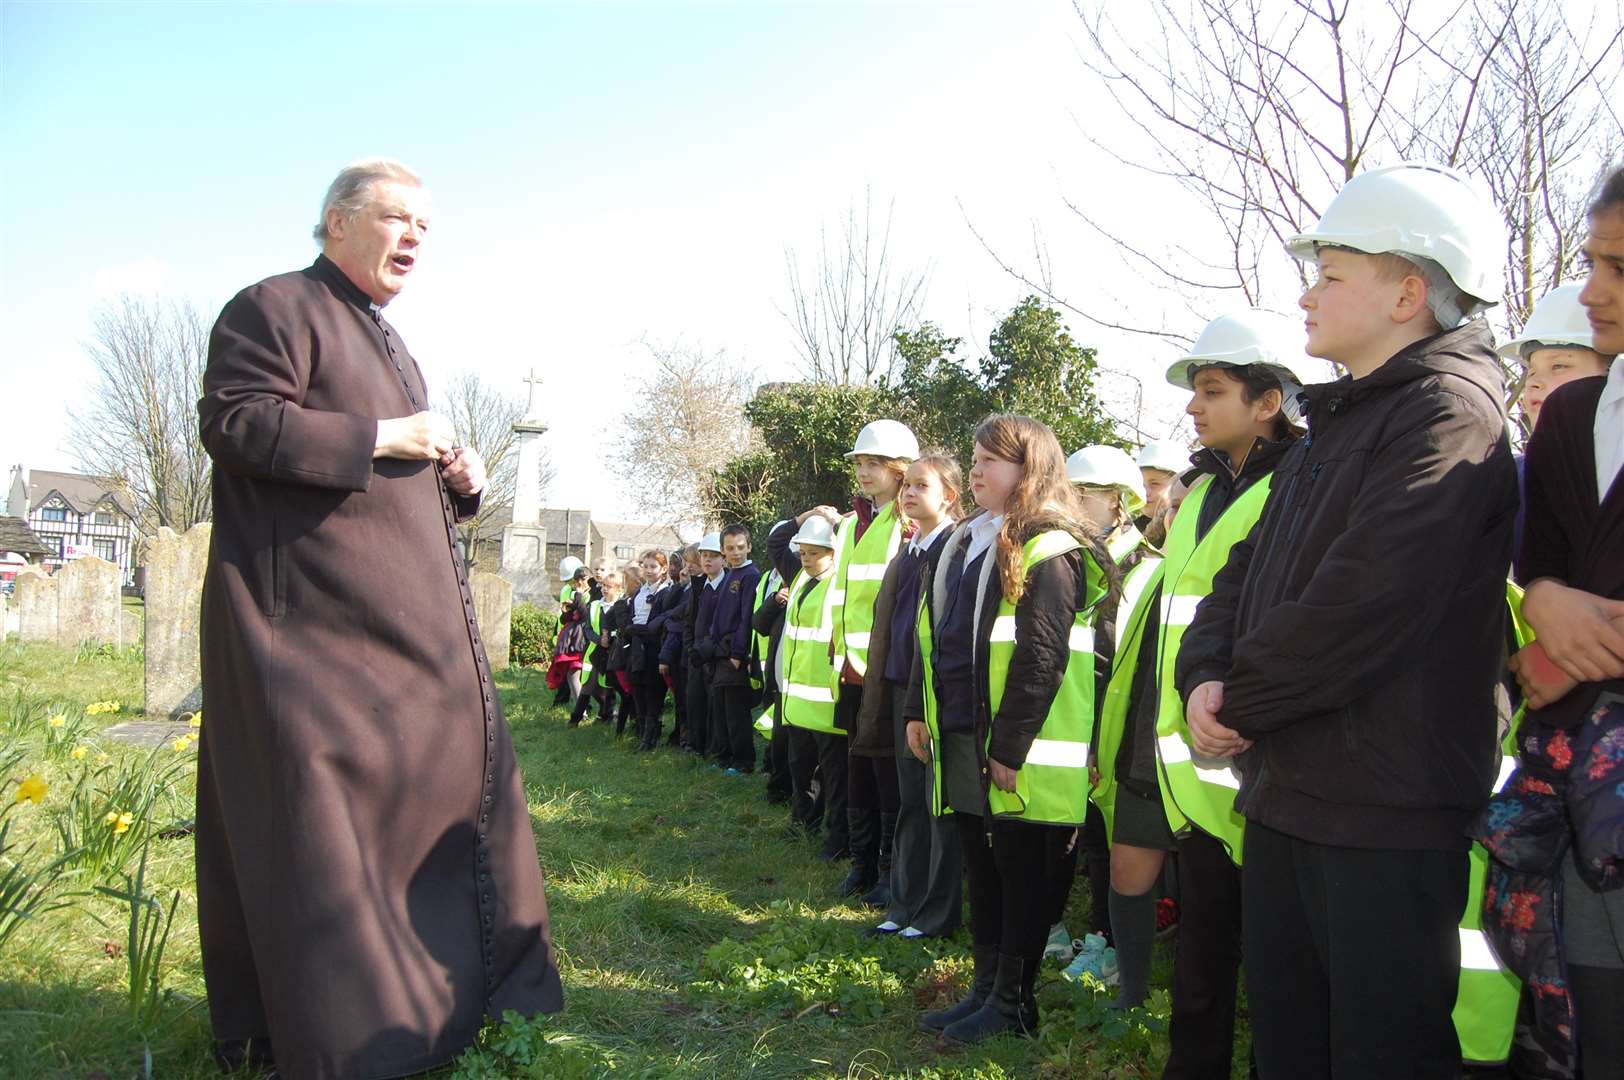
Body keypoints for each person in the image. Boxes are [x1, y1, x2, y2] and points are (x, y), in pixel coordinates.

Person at [195, 159, 561, 1077]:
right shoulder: (272, 307)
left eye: (425, 228)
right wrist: (379, 436)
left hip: (409, 644)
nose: (413, 239)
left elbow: (396, 482)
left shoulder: (390, 340)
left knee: (442, 804)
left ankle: (453, 1007)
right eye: (395, 218)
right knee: (327, 836)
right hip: (313, 641)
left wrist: (458, 481)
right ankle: (342, 1034)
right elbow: (235, 423)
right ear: (334, 223)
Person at [1176, 162, 1517, 1079]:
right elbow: (1241, 574)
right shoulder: (1341, 423)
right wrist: (1200, 676)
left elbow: (1361, 605)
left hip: (1384, 811)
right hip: (1294, 793)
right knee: (1291, 1045)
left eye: (1330, 273)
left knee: (1378, 1052)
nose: (1305, 292)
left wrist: (1234, 698)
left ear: (1409, 291)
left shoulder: (1449, 416)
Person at [1100, 312, 1309, 1080]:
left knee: (1282, 974)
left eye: (1212, 390)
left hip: (1263, 765)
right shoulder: (1200, 494)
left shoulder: (1303, 480)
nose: (1193, 406)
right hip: (1194, 770)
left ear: (1268, 401)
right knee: (1201, 957)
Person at [1474, 164, 1624, 1080]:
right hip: (1580, 805)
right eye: (1593, 260)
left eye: (1620, 267)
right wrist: (1546, 603)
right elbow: (1545, 566)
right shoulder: (1575, 415)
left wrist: (1576, 648)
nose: (1592, 291)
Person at [910, 414, 1115, 1046]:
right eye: (971, 459)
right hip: (968, 734)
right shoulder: (970, 539)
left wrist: (1009, 746)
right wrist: (926, 712)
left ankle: (1014, 1004)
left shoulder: (1052, 547)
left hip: (1022, 751)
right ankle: (985, 991)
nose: (974, 471)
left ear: (1032, 469)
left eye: (989, 461)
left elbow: (1042, 656)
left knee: (1024, 877)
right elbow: (946, 638)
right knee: (984, 869)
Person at [1054, 444, 1157, 984]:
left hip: (1119, 742)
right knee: (1092, 842)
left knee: (1118, 848)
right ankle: (1099, 936)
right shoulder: (1083, 564)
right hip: (1080, 730)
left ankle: (1114, 948)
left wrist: (1099, 742)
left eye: (1082, 494)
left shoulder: (1147, 572)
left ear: (1118, 501)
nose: (1070, 504)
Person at [869, 454, 965, 939]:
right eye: (905, 485)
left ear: (948, 496)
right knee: (910, 801)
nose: (907, 493)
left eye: (920, 486)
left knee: (936, 806)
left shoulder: (955, 545)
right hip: (900, 686)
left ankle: (936, 912)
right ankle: (903, 904)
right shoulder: (911, 548)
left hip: (932, 692)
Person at [831, 419, 919, 891]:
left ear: (897, 468)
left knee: (886, 769)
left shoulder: (902, 523)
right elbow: (843, 593)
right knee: (857, 766)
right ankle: (861, 861)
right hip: (850, 669)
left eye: (873, 463)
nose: (863, 472)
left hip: (884, 671)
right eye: (860, 463)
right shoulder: (854, 524)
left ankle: (887, 869)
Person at [767, 510, 843, 839]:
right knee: (799, 766)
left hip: (827, 701)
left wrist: (840, 521)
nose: (807, 560)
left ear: (833, 552)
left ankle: (834, 834)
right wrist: (809, 515)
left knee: (832, 774)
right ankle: (802, 823)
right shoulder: (799, 578)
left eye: (814, 553)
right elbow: (777, 539)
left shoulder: (841, 582)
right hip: (797, 699)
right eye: (803, 554)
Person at [708, 523, 761, 775]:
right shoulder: (730, 574)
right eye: (730, 548)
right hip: (719, 651)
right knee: (720, 708)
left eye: (741, 547)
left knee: (735, 712)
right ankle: (724, 756)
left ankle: (743, 761)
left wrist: (738, 654)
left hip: (734, 654)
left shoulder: (751, 576)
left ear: (749, 546)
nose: (736, 552)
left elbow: (746, 617)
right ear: (723, 550)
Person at [683, 533, 726, 756]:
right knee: (694, 701)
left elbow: (723, 624)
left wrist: (706, 649)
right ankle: (695, 744)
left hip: (714, 656)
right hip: (695, 656)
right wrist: (690, 647)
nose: (708, 561)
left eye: (713, 556)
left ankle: (712, 748)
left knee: (713, 705)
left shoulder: (727, 585)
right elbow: (689, 621)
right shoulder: (699, 585)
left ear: (724, 559)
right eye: (704, 556)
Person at [658, 546, 700, 750]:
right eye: (686, 562)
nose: (688, 567)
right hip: (677, 647)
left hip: (688, 646)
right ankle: (681, 734)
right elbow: (668, 607)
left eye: (692, 562)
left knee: (689, 698)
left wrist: (668, 618)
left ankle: (689, 738)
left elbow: (678, 614)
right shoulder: (686, 586)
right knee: (680, 697)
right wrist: (681, 584)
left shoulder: (700, 588)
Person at [571, 569, 623, 727]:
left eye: (609, 586)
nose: (604, 589)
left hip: (613, 652)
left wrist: (611, 638)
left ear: (619, 589)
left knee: (611, 686)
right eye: (603, 585)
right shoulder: (594, 605)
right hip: (595, 651)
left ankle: (607, 716)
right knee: (588, 686)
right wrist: (599, 640)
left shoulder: (621, 606)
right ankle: (575, 718)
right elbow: (587, 629)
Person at [1135, 439, 1189, 532]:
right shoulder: (1133, 533)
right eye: (1141, 485)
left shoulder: (1189, 531)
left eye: (1154, 484)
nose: (1145, 493)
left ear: (1180, 485)